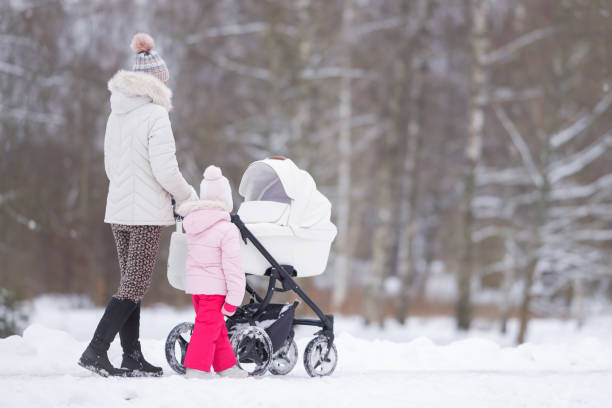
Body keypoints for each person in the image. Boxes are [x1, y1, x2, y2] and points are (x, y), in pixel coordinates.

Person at [79, 33, 197, 377]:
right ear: (156, 84)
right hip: (145, 214)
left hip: (119, 210)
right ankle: (96, 350)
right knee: (135, 285)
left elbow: (109, 166)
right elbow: (165, 169)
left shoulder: (116, 115)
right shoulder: (156, 116)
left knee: (130, 283)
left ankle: (132, 356)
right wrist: (187, 196)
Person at [177, 165, 247, 379]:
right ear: (226, 199)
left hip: (198, 288)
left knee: (216, 327)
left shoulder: (195, 224)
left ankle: (226, 365)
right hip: (215, 289)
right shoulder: (226, 229)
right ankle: (196, 368)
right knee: (207, 328)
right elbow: (234, 267)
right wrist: (235, 297)